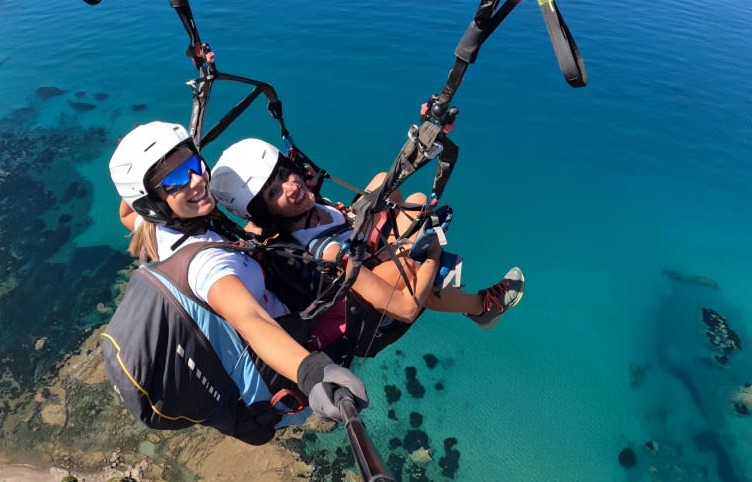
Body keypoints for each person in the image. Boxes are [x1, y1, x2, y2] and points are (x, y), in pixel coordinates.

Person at [103, 121, 368, 443]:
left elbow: (126, 213)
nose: (198, 180)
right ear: (153, 202)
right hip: (287, 365)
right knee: (382, 292)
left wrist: (144, 157)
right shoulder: (207, 264)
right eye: (174, 179)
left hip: (264, 341)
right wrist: (312, 371)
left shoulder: (156, 231)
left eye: (194, 163)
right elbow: (250, 319)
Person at [209, 138, 525, 343]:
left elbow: (367, 202)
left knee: (389, 187)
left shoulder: (311, 206)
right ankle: (481, 307)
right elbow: (404, 308)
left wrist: (420, 141)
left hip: (362, 248)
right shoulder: (328, 252)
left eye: (283, 175)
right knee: (420, 245)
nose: (290, 187)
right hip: (373, 307)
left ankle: (421, 263)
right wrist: (430, 248)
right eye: (274, 193)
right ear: (265, 212)